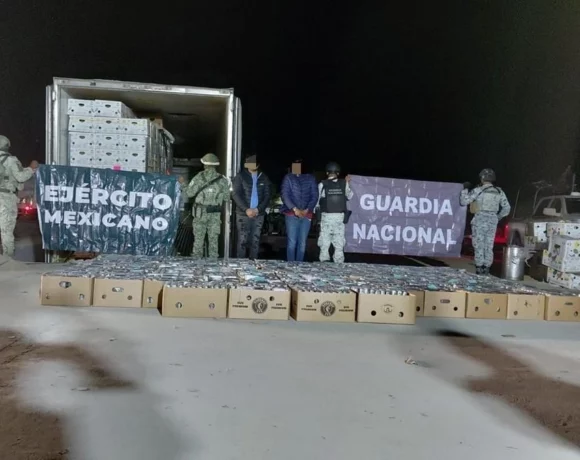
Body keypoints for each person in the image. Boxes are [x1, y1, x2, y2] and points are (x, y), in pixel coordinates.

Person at [460, 168, 511, 275]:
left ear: (482, 178)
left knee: (479, 244)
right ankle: (486, 268)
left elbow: (463, 201)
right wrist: (497, 217)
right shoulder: (499, 192)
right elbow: (507, 208)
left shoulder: (478, 190)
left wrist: (465, 189)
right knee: (489, 245)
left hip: (479, 220)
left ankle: (479, 268)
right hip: (492, 221)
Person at [178, 153, 229, 258]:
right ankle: (213, 264)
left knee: (198, 242)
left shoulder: (199, 177)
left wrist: (182, 183)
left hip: (200, 214)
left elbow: (189, 193)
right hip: (215, 214)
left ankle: (197, 264)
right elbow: (226, 198)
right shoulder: (223, 180)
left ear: (205, 164)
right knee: (213, 242)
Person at [0, 136, 38, 257]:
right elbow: (20, 177)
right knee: (6, 230)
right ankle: (7, 260)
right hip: (6, 198)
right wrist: (31, 169)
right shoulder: (11, 160)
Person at [232, 155, 272, 259]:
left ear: (258, 165)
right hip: (243, 214)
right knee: (242, 240)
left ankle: (253, 263)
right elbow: (235, 194)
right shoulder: (240, 177)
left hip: (259, 215)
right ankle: (240, 264)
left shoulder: (264, 177)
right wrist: (246, 209)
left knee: (255, 240)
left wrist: (258, 209)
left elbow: (267, 195)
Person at [280, 160, 318, 262]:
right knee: (292, 242)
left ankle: (300, 265)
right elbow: (285, 195)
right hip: (291, 214)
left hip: (306, 215)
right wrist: (294, 209)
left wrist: (307, 209)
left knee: (302, 243)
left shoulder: (311, 178)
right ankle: (291, 265)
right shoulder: (288, 178)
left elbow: (314, 195)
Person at [316, 162, 353, 263]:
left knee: (324, 243)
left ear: (327, 172)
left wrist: (317, 217)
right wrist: (347, 183)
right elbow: (350, 196)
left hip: (326, 217)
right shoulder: (343, 183)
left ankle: (324, 263)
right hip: (339, 218)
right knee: (339, 243)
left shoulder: (322, 184)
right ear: (338, 173)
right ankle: (339, 264)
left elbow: (317, 202)